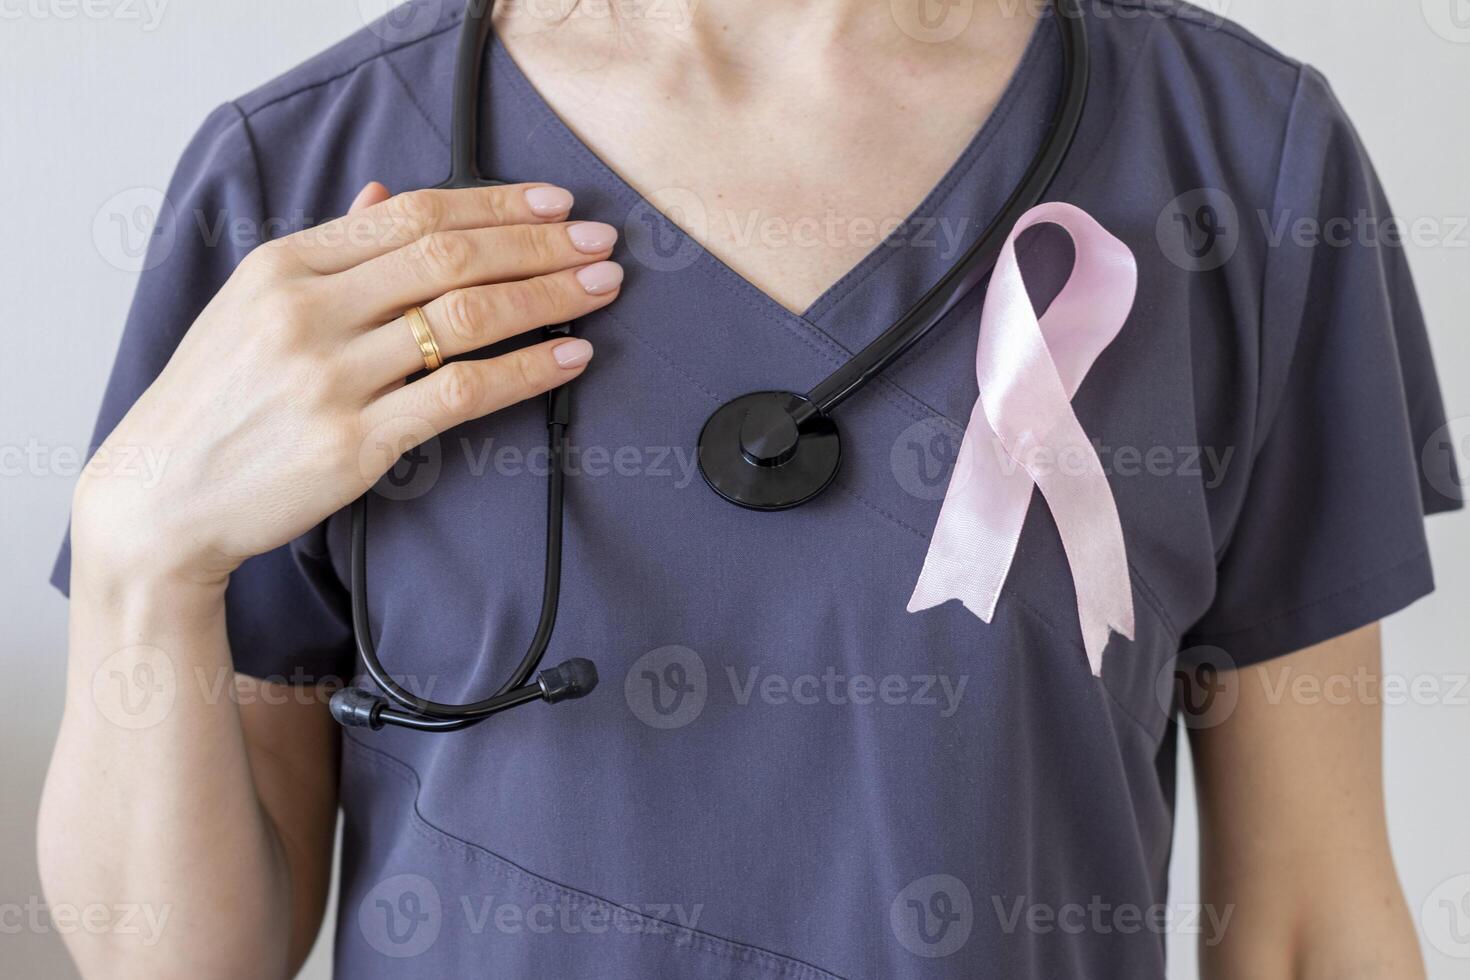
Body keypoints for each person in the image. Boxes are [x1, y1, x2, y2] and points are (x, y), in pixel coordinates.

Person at [38, 0, 1459, 976]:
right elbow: (176, 956)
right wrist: (137, 562)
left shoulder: (1235, 161)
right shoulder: (311, 175)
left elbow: (1307, 921)